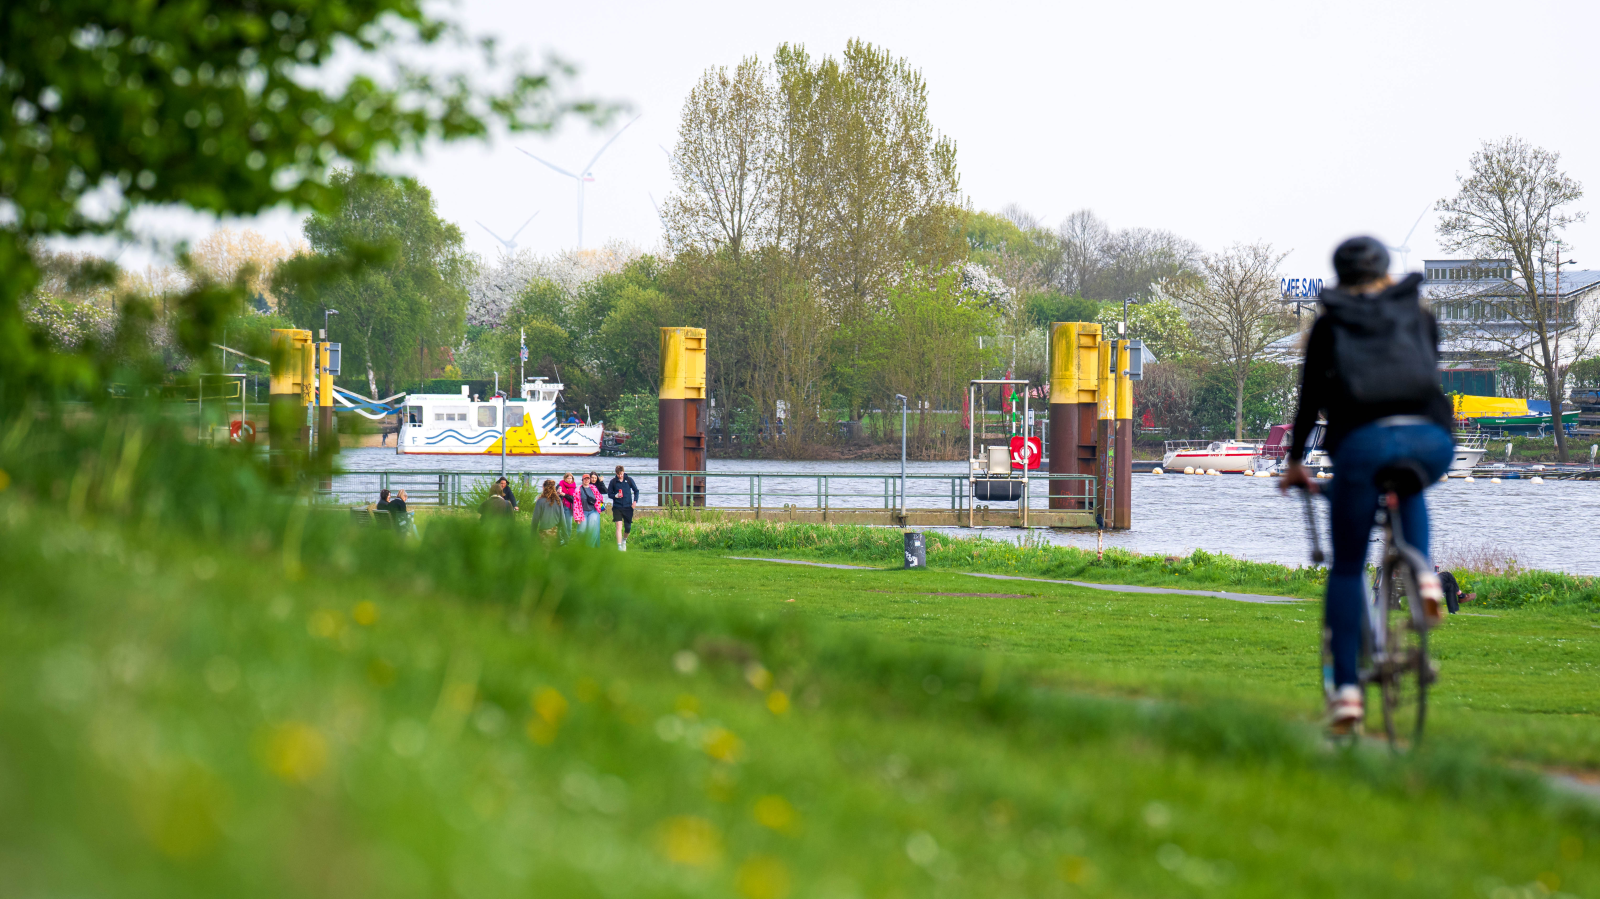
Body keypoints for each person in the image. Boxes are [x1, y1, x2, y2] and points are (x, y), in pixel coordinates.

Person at [1280, 236, 1456, 733]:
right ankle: (1424, 577)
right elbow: (1426, 373)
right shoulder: (1418, 314)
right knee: (1412, 485)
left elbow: (1309, 400)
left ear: (1339, 277)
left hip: (1361, 444)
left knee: (1347, 567)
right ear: (1385, 272)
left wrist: (1296, 462)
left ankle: (1348, 695)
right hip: (1432, 440)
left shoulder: (1329, 325)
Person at [606, 464, 640, 551]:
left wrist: (635, 501)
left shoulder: (629, 480)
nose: (620, 476)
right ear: (616, 474)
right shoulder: (613, 482)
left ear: (623, 472)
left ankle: (624, 540)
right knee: (618, 526)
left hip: (628, 506)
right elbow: (609, 494)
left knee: (628, 527)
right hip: (617, 507)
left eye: (621, 474)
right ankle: (619, 546)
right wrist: (616, 496)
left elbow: (636, 491)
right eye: (618, 474)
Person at [577, 473, 606, 547]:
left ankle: (590, 547)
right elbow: (576, 503)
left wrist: (601, 509)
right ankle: (580, 545)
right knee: (581, 530)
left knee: (592, 529)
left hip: (593, 511)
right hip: (583, 512)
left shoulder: (594, 488)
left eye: (588, 479)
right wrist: (577, 515)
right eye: (585, 479)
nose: (587, 480)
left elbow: (600, 497)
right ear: (582, 480)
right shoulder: (578, 489)